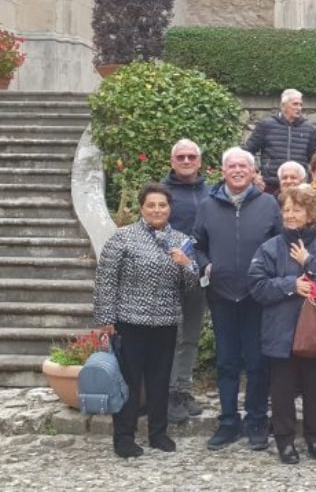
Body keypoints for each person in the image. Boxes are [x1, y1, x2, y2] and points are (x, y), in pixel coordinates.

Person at [93, 183, 199, 458]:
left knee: (160, 380)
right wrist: (106, 318)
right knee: (129, 381)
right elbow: (106, 280)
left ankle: (158, 433)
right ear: (142, 208)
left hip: (165, 321)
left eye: (162, 205)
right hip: (129, 320)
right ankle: (124, 437)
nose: (157, 210)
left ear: (169, 208)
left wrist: (186, 264)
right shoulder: (123, 238)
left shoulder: (181, 240)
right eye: (151, 205)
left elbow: (191, 285)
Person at [193, 147, 282, 451]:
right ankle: (228, 420)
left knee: (257, 362)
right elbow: (198, 244)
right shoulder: (207, 205)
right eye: (232, 166)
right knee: (227, 362)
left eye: (244, 166)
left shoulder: (269, 204)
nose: (238, 170)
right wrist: (205, 263)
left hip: (257, 296)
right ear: (223, 171)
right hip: (221, 294)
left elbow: (280, 244)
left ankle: (256, 419)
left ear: (253, 171)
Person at [248, 187, 316, 465]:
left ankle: (314, 437)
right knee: (282, 391)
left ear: (311, 213)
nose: (289, 215)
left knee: (315, 388)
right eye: (286, 210)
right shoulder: (269, 247)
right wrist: (290, 285)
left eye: (296, 209)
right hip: (281, 331)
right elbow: (257, 286)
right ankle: (285, 441)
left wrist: (308, 263)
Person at [163, 139, 211, 425]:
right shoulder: (162, 192)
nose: (186, 161)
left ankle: (183, 388)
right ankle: (168, 392)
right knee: (172, 336)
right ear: (172, 161)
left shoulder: (209, 192)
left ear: (199, 162)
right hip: (169, 275)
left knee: (191, 335)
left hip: (197, 274)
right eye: (180, 157)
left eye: (191, 156)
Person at [244, 89, 316, 193]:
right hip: (270, 184)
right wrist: (254, 174)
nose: (299, 108)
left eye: (300, 104)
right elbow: (247, 151)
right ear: (283, 105)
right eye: (295, 104)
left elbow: (315, 158)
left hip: (298, 186)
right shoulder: (267, 125)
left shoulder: (308, 128)